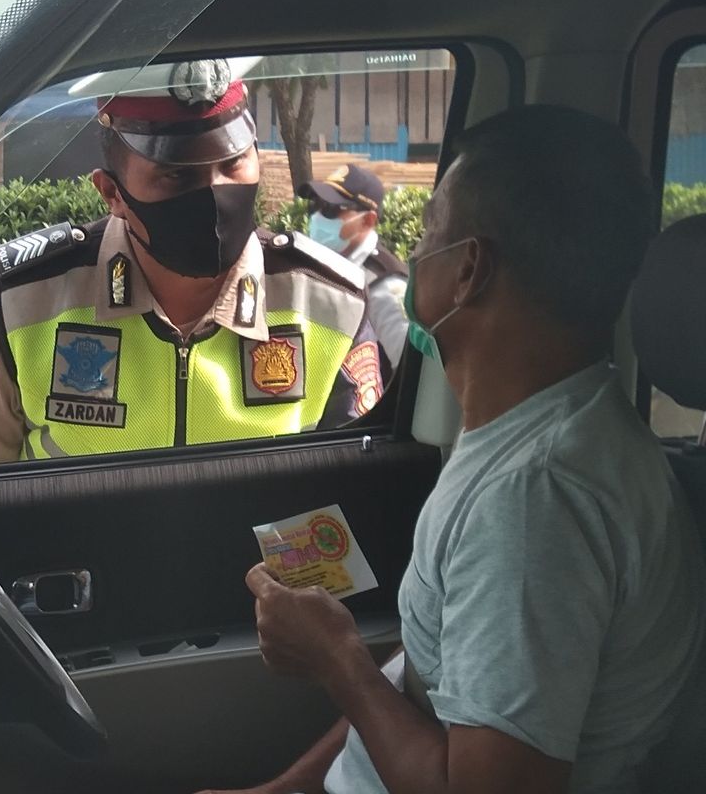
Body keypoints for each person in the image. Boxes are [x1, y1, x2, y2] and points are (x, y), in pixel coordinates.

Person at [202, 105, 706, 794]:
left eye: (432, 229)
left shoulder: (536, 500)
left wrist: (337, 658)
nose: (414, 251)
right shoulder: (545, 431)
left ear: (468, 269)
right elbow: (430, 682)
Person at [0, 60, 384, 469]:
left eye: (233, 164)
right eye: (177, 175)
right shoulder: (27, 296)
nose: (214, 193)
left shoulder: (328, 301)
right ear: (112, 193)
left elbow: (358, 493)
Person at [300, 165, 410, 371]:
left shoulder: (385, 286)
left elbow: (407, 371)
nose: (317, 218)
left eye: (331, 209)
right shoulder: (324, 268)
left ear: (368, 220)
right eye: (315, 206)